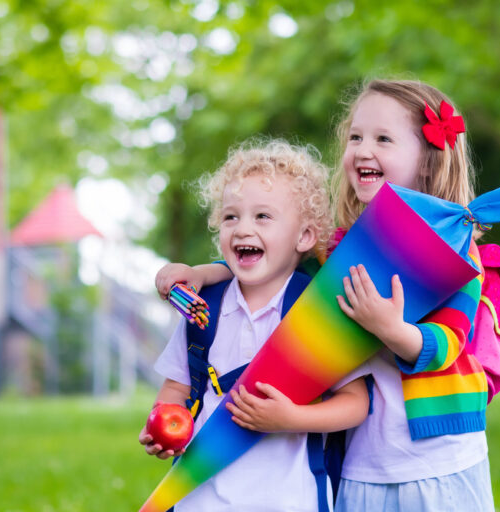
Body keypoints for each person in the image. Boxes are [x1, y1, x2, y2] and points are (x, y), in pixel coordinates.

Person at [156, 79, 496, 511]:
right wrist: (201, 273)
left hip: (437, 457)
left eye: (383, 139)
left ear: (428, 162)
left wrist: (392, 330)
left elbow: (450, 342)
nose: (362, 149)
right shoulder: (338, 246)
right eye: (355, 136)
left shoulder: (456, 247)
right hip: (360, 460)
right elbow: (273, 262)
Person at [140, 139, 371, 512]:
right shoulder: (203, 309)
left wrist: (292, 418)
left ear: (304, 237)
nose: (243, 228)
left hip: (287, 499)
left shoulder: (316, 312)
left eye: (263, 216)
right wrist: (163, 425)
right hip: (201, 497)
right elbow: (176, 386)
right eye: (231, 217)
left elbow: (356, 403)